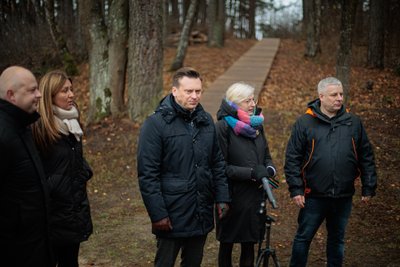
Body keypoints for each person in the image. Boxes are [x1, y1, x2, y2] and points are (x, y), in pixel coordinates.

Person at [137, 67, 231, 267]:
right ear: (174, 91)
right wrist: (158, 214)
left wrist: (222, 196)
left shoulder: (206, 121)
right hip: (172, 214)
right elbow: (147, 175)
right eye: (189, 91)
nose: (194, 96)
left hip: (200, 211)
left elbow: (217, 162)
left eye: (198, 91)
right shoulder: (155, 124)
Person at [284, 77, 378, 267]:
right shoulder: (305, 123)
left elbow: (366, 155)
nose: (339, 98)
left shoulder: (353, 123)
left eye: (341, 94)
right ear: (321, 97)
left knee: (337, 240)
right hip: (313, 196)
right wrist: (296, 189)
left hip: (343, 196)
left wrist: (369, 186)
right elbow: (292, 159)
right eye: (334, 95)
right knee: (303, 238)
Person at [32, 70, 93, 267]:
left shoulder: (72, 124)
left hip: (72, 211)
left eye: (71, 89)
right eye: (64, 90)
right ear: (50, 95)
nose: (71, 94)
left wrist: (84, 172)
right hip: (51, 215)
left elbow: (73, 161)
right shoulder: (39, 128)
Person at [214, 82, 278, 267]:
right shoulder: (222, 127)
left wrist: (269, 170)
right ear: (234, 104)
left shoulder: (257, 125)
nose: (252, 104)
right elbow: (221, 167)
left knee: (249, 245)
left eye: (253, 99)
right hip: (231, 197)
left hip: (255, 196)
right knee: (226, 245)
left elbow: (266, 156)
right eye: (246, 101)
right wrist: (251, 172)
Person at [0, 66, 52, 266]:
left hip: (36, 248)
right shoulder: (3, 134)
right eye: (32, 90)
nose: (39, 95)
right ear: (11, 95)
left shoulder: (22, 127)